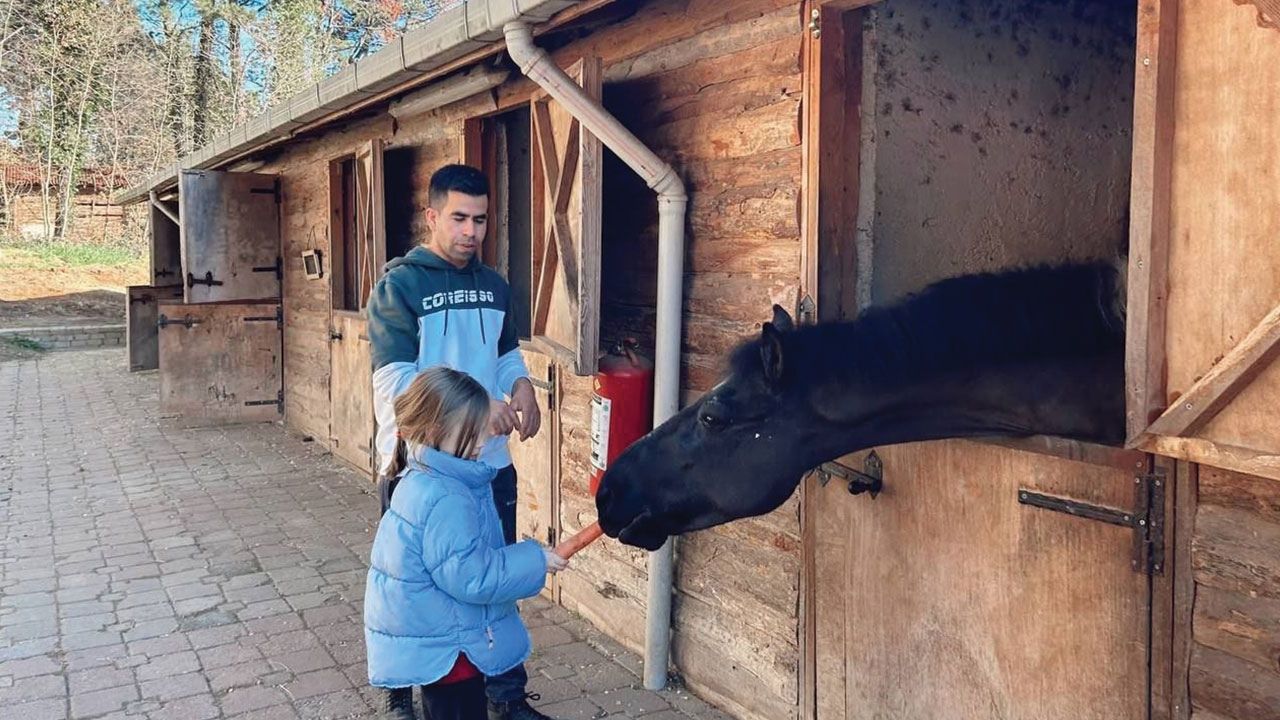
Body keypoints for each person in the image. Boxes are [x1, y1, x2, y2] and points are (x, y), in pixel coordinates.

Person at [367, 164, 551, 720]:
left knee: (492, 580)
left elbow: (505, 355)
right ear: (431, 216)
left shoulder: (495, 285)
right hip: (418, 470)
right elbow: (394, 390)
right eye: (459, 218)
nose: (471, 231)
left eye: (481, 220)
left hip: (490, 466)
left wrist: (522, 385)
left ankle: (506, 698)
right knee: (417, 593)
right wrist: (475, 412)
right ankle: (403, 696)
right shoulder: (400, 286)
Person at [364, 367, 569, 720]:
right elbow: (471, 576)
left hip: (435, 635)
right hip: (451, 647)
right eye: (472, 432)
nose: (482, 441)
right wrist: (536, 560)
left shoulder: (424, 476)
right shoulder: (446, 497)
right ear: (435, 431)